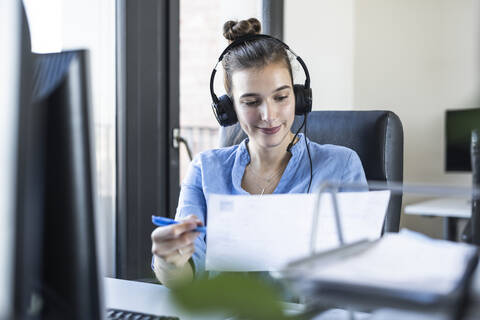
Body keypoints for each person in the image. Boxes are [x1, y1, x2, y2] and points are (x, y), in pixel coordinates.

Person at [151, 18, 367, 289]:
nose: (269, 115)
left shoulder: (341, 165)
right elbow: (186, 279)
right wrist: (169, 260)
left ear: (299, 98)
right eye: (251, 102)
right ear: (229, 109)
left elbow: (359, 275)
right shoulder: (206, 169)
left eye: (281, 97)